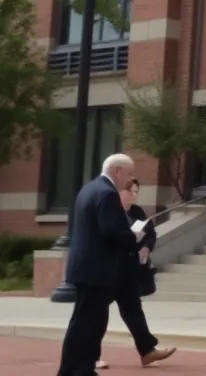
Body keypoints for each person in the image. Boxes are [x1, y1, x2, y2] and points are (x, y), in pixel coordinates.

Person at [58, 154, 143, 376]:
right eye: (129, 173)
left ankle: (77, 368)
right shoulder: (107, 194)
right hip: (96, 268)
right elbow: (112, 231)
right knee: (89, 322)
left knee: (86, 320)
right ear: (117, 170)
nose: (130, 178)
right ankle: (76, 369)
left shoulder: (89, 189)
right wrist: (134, 237)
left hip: (86, 266)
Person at [95, 179, 175, 370]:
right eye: (131, 191)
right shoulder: (111, 211)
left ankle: (147, 350)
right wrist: (130, 239)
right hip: (110, 269)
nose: (134, 195)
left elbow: (150, 234)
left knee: (133, 311)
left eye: (137, 192)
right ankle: (91, 356)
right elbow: (108, 236)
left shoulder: (137, 212)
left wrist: (146, 247)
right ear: (120, 192)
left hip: (130, 269)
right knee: (96, 313)